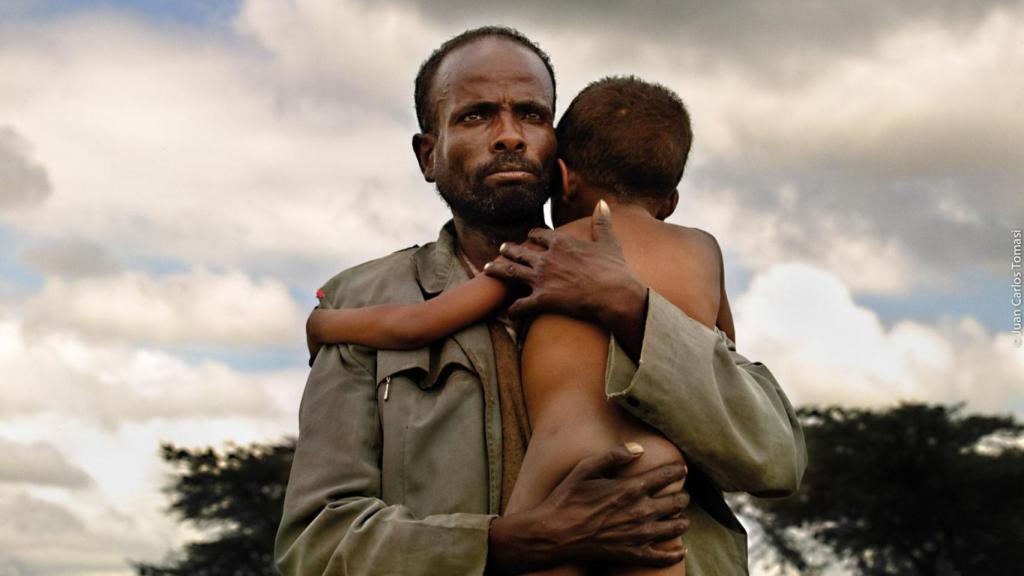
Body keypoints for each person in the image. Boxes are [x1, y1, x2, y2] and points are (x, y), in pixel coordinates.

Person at [275, 26, 806, 576]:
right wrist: (509, 543)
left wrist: (633, 309)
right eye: (475, 115)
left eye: (531, 114)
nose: (509, 136)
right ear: (428, 154)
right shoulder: (362, 298)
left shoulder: (644, 283)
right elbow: (316, 545)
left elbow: (775, 461)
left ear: (561, 155)